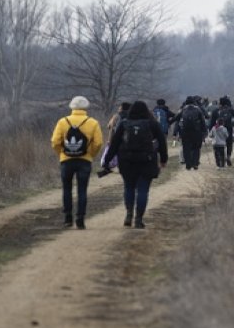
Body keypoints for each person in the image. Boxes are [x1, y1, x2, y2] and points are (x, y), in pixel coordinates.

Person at [102, 101, 168, 229]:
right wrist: (163, 159)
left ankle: (128, 214)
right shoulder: (152, 124)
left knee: (129, 187)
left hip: (127, 161)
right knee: (143, 190)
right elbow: (162, 142)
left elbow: (114, 144)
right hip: (147, 161)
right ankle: (138, 219)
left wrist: (107, 161)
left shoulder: (124, 124)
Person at [50, 96, 104, 229]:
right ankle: (80, 219)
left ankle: (68, 218)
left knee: (67, 189)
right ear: (86, 107)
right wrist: (90, 154)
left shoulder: (63, 122)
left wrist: (62, 154)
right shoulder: (93, 123)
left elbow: (55, 142)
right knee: (82, 190)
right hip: (84, 161)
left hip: (66, 161)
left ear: (71, 107)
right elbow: (98, 143)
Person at [174, 96, 207, 170]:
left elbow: (176, 118)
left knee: (186, 148)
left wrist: (174, 130)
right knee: (196, 148)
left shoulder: (183, 109)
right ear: (193, 102)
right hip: (196, 132)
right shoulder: (198, 109)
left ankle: (188, 164)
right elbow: (202, 121)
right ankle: (195, 163)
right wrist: (204, 132)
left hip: (185, 132)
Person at [210, 96, 234, 166]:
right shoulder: (230, 110)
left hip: (218, 130)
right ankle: (228, 156)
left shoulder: (216, 111)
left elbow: (212, 122)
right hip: (229, 129)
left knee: (219, 145)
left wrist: (211, 130)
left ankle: (219, 159)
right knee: (229, 144)